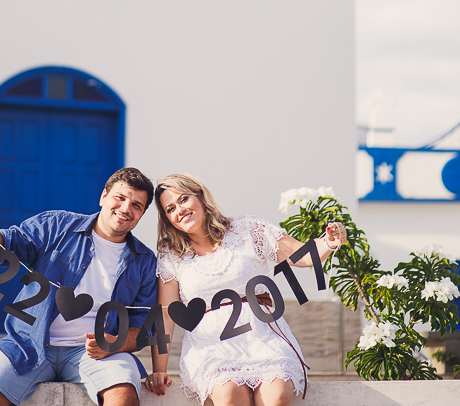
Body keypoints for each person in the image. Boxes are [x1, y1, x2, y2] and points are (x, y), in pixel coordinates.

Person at [0, 167, 157, 406]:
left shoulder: (144, 261)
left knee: (123, 395)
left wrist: (115, 343)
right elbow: (8, 244)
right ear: (104, 197)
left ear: (142, 214)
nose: (125, 209)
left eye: (136, 205)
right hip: (27, 344)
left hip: (96, 354)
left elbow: (144, 327)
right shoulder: (57, 225)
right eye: (120, 198)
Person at [145, 173, 347, 406]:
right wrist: (159, 369)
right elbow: (166, 312)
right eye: (170, 209)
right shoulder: (171, 252)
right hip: (212, 342)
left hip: (261, 333)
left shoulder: (247, 228)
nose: (179, 210)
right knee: (230, 395)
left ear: (200, 196)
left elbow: (300, 256)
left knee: (277, 395)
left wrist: (329, 242)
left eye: (183, 199)